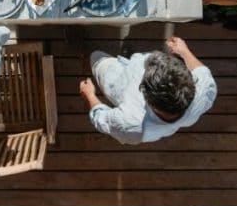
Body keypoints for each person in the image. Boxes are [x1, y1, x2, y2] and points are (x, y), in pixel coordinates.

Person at [78, 37, 216, 145]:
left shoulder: (132, 125)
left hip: (115, 81)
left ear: (149, 100)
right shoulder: (204, 91)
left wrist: (89, 95)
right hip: (129, 69)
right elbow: (202, 71)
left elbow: (101, 119)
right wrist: (184, 52)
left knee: (96, 57)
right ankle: (125, 58)